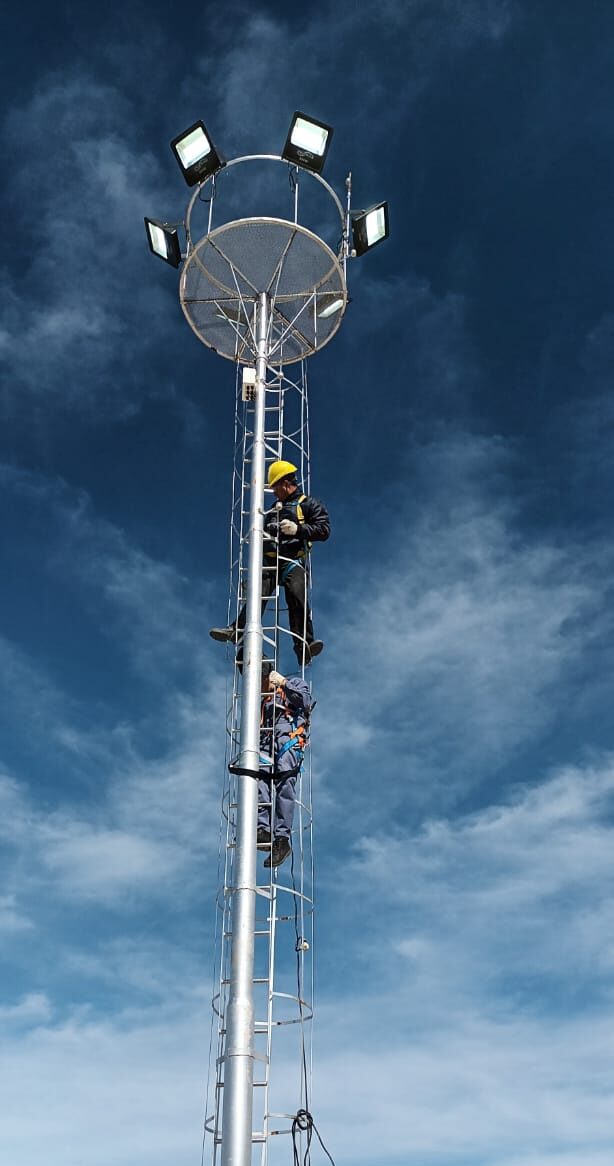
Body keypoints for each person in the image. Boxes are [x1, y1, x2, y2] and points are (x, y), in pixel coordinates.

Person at [210, 459, 330, 667]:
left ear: (285, 483)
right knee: (257, 594)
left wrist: (298, 530)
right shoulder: (275, 507)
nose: (273, 492)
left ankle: (304, 645)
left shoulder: (309, 504)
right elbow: (266, 532)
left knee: (296, 597)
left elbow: (324, 530)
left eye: (275, 487)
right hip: (272, 561)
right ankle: (237, 630)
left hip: (293, 560)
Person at [257, 668, 312, 868]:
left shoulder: (294, 683)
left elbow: (303, 701)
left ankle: (282, 839)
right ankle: (262, 828)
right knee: (258, 781)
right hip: (265, 743)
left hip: (288, 740)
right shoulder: (263, 701)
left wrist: (283, 683)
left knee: (284, 785)